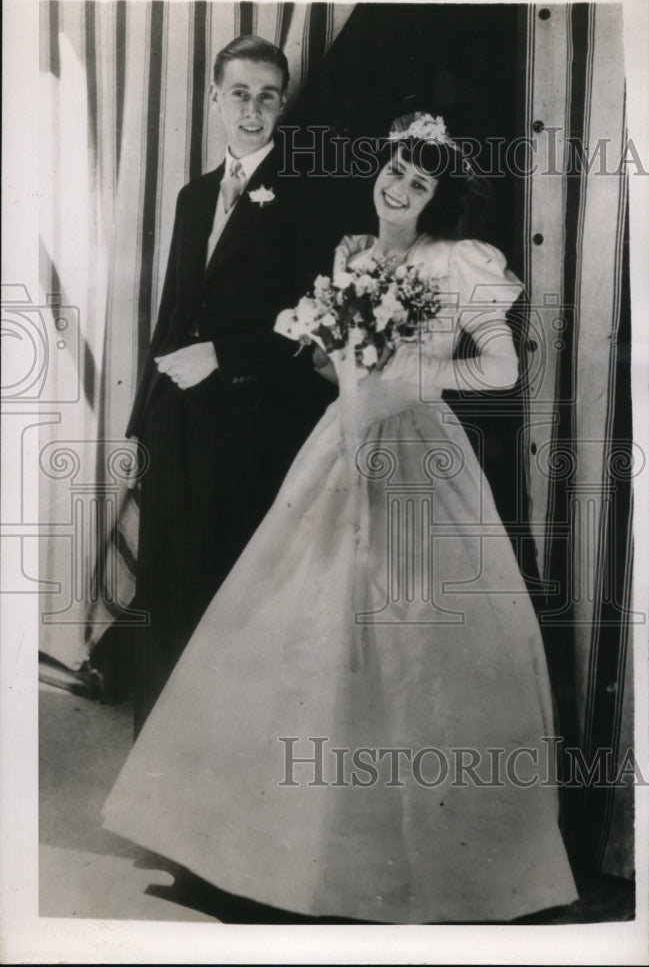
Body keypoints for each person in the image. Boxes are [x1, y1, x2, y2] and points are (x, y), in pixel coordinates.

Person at [103, 114, 579, 923]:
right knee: (290, 617)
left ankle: (406, 864)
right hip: (338, 447)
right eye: (394, 170)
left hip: (419, 452)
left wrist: (413, 366)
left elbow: (499, 368)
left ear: (436, 198)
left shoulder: (457, 262)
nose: (398, 187)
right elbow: (332, 368)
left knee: (410, 638)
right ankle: (252, 849)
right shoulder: (351, 253)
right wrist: (335, 348)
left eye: (418, 182)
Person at [126, 36, 335, 734]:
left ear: (281, 104)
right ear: (215, 97)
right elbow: (170, 313)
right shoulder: (192, 197)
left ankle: (214, 789)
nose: (253, 110)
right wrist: (140, 426)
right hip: (176, 428)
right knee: (165, 591)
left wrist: (224, 355)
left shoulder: (305, 198)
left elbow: (314, 325)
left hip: (254, 431)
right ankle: (153, 773)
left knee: (229, 603)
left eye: (267, 96)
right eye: (240, 94)